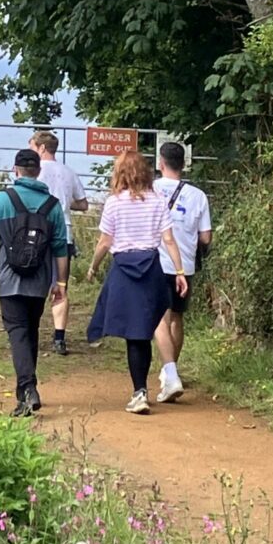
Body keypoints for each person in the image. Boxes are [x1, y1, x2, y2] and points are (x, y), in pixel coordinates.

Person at [84, 151, 189, 414]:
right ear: (144, 171)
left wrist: (93, 267)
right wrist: (179, 271)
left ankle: (139, 392)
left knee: (134, 333)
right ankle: (144, 389)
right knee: (144, 330)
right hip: (151, 267)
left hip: (124, 270)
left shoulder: (113, 203)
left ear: (120, 173)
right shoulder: (157, 201)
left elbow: (105, 242)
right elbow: (168, 239)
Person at [0, 148, 72, 417]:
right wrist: (60, 284)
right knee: (31, 329)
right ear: (38, 171)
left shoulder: (2, 200)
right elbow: (60, 249)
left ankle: (28, 391)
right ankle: (27, 387)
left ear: (15, 170)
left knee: (17, 332)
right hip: (39, 282)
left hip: (9, 279)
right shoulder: (52, 206)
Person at [151, 140, 212, 404]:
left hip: (157, 262)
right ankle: (170, 371)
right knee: (176, 318)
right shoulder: (198, 195)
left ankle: (170, 373)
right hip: (184, 265)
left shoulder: (150, 190)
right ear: (184, 164)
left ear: (160, 163)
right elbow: (206, 237)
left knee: (158, 320)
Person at [29, 130, 89, 355]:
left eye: (33, 146)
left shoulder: (35, 171)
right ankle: (59, 337)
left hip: (37, 233)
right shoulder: (68, 172)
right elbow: (83, 204)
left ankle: (30, 332)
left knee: (34, 284)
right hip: (64, 233)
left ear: (41, 148)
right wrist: (63, 204)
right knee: (61, 286)